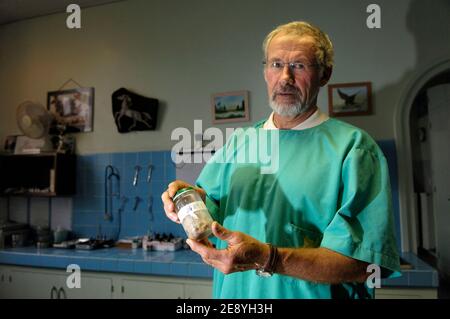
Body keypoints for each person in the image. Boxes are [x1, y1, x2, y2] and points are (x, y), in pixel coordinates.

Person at [162, 21, 401, 299]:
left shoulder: (354, 150)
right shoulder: (240, 142)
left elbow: (366, 266)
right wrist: (187, 199)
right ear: (265, 72)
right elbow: (210, 210)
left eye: (299, 65)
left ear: (325, 74)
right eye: (276, 64)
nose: (285, 77)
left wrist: (269, 258)